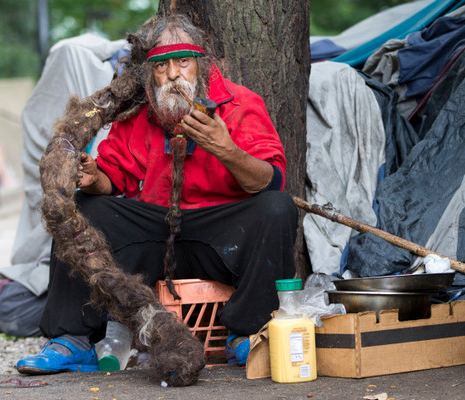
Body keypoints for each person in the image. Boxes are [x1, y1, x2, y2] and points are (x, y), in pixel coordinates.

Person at [16, 14, 298, 375]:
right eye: (162, 65)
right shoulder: (141, 114)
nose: (174, 75)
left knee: (277, 208)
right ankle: (71, 339)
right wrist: (93, 176)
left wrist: (224, 148)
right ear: (149, 74)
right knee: (84, 209)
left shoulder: (241, 105)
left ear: (203, 66)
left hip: (221, 237)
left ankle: (246, 334)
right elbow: (113, 179)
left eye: (184, 62)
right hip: (156, 234)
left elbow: (269, 181)